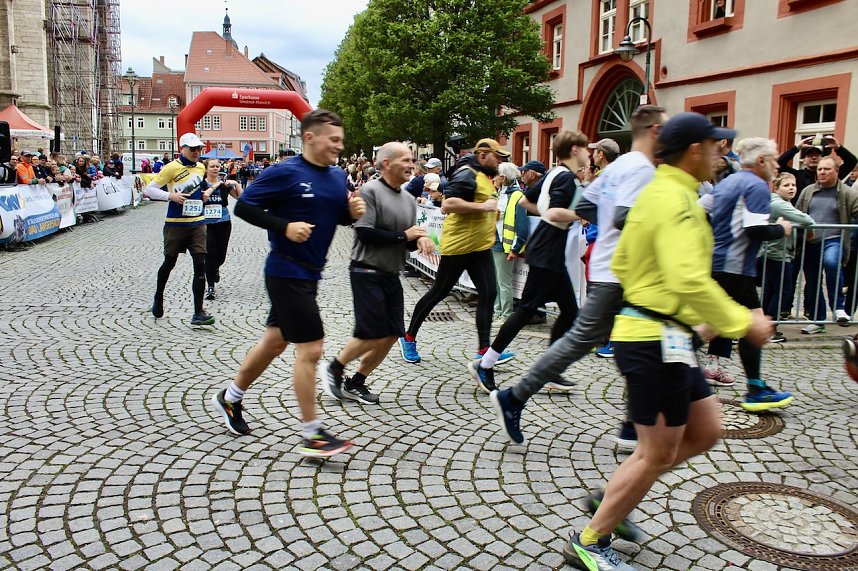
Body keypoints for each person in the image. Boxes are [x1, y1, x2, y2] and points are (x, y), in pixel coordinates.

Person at [561, 112, 774, 571]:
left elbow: (644, 270)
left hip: (667, 336)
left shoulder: (668, 193)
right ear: (694, 150)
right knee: (656, 451)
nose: (724, 153)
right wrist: (743, 323)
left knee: (705, 431)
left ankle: (612, 497)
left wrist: (688, 318)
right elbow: (688, 279)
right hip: (653, 341)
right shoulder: (673, 201)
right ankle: (590, 541)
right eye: (717, 145)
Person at [490, 105, 666, 447]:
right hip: (622, 270)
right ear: (655, 131)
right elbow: (621, 218)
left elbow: (586, 208)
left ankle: (633, 423)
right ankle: (513, 395)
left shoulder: (621, 166)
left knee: (632, 339)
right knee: (585, 337)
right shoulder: (639, 169)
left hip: (614, 268)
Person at [211, 109, 366, 458]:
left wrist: (350, 213)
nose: (339, 146)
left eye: (341, 140)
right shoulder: (286, 171)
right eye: (333, 139)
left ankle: (230, 397)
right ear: (310, 137)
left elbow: (335, 215)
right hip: (286, 269)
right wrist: (284, 226)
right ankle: (312, 434)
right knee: (310, 349)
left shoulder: (338, 175)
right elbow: (245, 207)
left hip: (311, 272)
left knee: (274, 341)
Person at [470, 131, 590, 393]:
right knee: (525, 310)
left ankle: (551, 370)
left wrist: (552, 214)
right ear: (574, 150)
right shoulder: (566, 178)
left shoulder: (554, 174)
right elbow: (556, 211)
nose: (589, 153)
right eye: (585, 148)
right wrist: (581, 212)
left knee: (570, 312)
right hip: (547, 253)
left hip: (550, 253)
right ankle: (486, 364)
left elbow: (526, 201)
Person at [323, 142, 434, 404]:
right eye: (406, 160)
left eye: (412, 160)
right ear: (386, 163)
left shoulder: (408, 199)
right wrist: (403, 235)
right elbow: (364, 232)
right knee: (371, 332)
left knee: (393, 333)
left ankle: (355, 382)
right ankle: (334, 368)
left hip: (390, 272)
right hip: (365, 269)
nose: (411, 165)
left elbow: (403, 240)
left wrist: (417, 240)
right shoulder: (370, 191)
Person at [398, 138, 509, 365]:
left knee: (488, 295)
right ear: (483, 155)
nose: (499, 162)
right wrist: (483, 207)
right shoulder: (466, 174)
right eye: (497, 157)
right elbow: (447, 205)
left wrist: (489, 213)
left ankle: (484, 351)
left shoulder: (483, 178)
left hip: (480, 247)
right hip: (459, 247)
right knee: (438, 292)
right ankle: (408, 337)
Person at [703, 137, 795, 412]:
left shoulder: (728, 182)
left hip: (726, 266)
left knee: (753, 326)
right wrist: (782, 229)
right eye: (775, 160)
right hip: (733, 268)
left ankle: (755, 387)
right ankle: (666, 371)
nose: (778, 165)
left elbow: (697, 211)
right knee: (711, 328)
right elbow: (754, 229)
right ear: (761, 161)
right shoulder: (756, 185)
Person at [142, 133, 215, 326]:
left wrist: (204, 195)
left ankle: (198, 312)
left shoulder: (200, 167)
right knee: (169, 263)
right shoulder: (171, 167)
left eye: (199, 149)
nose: (196, 152)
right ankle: (158, 297)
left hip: (197, 223)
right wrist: (170, 197)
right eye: (192, 149)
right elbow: (149, 190)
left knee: (200, 264)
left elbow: (200, 188)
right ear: (182, 148)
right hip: (175, 223)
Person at [796, 155, 858, 332]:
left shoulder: (847, 193)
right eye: (819, 169)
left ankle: (838, 306)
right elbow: (797, 213)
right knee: (813, 281)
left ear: (837, 172)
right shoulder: (808, 191)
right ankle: (818, 320)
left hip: (834, 240)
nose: (821, 172)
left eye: (826, 169)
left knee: (832, 263)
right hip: (811, 242)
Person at [760, 172, 815, 341]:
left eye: (793, 185)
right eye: (786, 185)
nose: (791, 188)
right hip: (777, 254)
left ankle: (764, 327)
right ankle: (769, 329)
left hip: (772, 253)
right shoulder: (779, 204)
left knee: (770, 291)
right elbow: (806, 219)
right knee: (783, 291)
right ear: (776, 188)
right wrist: (810, 229)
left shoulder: (778, 202)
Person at [200, 158, 243, 300]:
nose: (215, 169)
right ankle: (210, 286)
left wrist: (236, 183)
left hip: (223, 221)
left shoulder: (224, 185)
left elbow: (243, 198)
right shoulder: (201, 184)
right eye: (212, 166)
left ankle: (216, 267)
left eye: (217, 166)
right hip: (206, 223)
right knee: (209, 254)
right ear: (206, 169)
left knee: (221, 255)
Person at [491, 162, 529, 321]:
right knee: (497, 281)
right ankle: (497, 311)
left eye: (495, 176)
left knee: (503, 282)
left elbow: (521, 225)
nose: (492, 179)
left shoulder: (517, 195)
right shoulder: (502, 193)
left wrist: (515, 248)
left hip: (504, 245)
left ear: (503, 178)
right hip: (495, 242)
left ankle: (505, 314)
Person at [778, 136, 857, 203]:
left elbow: (851, 161)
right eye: (810, 155)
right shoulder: (797, 176)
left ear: (822, 159)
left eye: (817, 155)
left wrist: (838, 147)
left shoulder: (830, 175)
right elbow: (779, 164)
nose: (814, 157)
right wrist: (796, 148)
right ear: (804, 161)